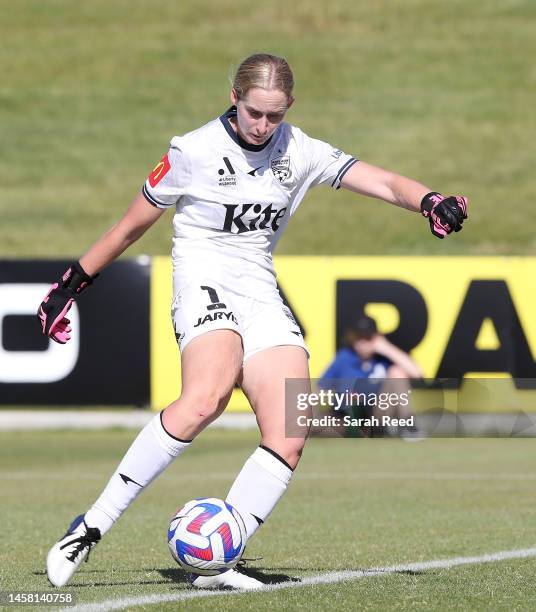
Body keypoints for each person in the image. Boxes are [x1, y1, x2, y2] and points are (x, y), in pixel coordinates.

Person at [38, 53, 468, 590]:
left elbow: (379, 181)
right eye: (254, 113)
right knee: (205, 399)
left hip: (260, 289)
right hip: (203, 282)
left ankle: (219, 558)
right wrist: (69, 287)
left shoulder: (299, 149)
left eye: (275, 115)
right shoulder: (190, 151)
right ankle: (91, 526)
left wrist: (427, 200)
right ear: (234, 99)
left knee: (292, 424)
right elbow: (127, 229)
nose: (263, 126)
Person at [318, 315, 423, 438]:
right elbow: (320, 390)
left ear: (376, 338)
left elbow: (417, 374)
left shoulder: (383, 359)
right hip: (346, 418)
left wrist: (387, 349)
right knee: (309, 423)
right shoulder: (344, 357)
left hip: (376, 416)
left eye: (367, 337)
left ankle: (407, 424)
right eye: (358, 337)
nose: (362, 342)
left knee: (397, 372)